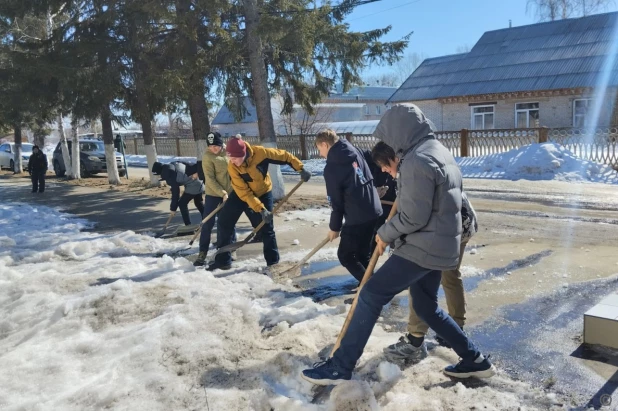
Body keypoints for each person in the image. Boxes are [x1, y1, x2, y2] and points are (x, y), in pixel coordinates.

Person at [301, 103, 495, 386]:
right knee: (427, 307)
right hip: (441, 246)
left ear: (401, 131)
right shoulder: (438, 151)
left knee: (370, 294)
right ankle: (474, 359)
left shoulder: (417, 161)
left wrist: (385, 232)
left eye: (390, 134)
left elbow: (414, 216)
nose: (389, 143)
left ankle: (340, 367)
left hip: (423, 246)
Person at [370, 141, 479, 360]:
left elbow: (416, 216)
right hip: (449, 226)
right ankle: (427, 333)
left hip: (455, 228)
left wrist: (392, 237)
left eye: (384, 165)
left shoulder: (414, 169)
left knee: (438, 279)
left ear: (393, 158)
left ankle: (435, 332)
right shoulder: (409, 167)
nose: (383, 170)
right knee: (429, 284)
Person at [207, 135, 311, 272]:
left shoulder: (261, 153)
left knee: (267, 228)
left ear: (243, 153)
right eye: (230, 158)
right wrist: (261, 210)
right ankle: (223, 261)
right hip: (241, 194)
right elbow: (245, 193)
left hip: (263, 192)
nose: (232, 161)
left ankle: (273, 263)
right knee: (224, 222)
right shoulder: (232, 166)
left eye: (235, 158)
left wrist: (300, 169)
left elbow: (284, 156)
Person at [316, 129, 382, 284]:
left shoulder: (332, 167)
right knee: (361, 254)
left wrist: (335, 228)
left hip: (357, 216)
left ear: (325, 144)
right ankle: (369, 286)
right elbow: (373, 162)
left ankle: (372, 288)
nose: (320, 154)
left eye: (320, 149)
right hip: (374, 209)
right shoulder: (354, 150)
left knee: (345, 255)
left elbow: (336, 201)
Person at [194, 132, 233, 266]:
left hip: (229, 193)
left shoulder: (228, 152)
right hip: (213, 194)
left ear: (221, 143)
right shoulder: (207, 157)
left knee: (227, 223)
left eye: (216, 145)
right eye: (211, 146)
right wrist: (222, 193)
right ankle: (202, 252)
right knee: (207, 224)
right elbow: (209, 179)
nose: (213, 149)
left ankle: (229, 249)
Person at [362, 145, 397, 255]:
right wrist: (374, 191)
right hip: (379, 205)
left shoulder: (398, 162)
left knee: (393, 234)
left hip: (394, 206)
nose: (382, 169)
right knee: (374, 235)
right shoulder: (371, 160)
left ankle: (392, 252)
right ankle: (368, 259)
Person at [152, 161, 205, 226]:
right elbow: (189, 164)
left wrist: (173, 209)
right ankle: (207, 220)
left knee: (182, 204)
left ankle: (188, 226)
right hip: (198, 179)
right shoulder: (174, 164)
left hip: (193, 184)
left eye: (158, 175)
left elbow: (176, 193)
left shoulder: (169, 174)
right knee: (198, 201)